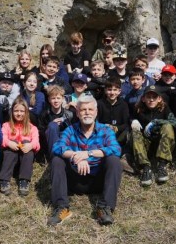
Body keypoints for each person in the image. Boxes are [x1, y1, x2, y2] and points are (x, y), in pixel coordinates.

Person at [49, 94, 122, 226]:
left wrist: (88, 154)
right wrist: (76, 156)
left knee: (114, 160)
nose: (87, 113)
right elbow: (56, 147)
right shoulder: (70, 130)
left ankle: (104, 208)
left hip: (98, 180)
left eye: (90, 109)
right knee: (57, 160)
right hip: (75, 179)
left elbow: (116, 149)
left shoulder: (105, 130)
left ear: (96, 112)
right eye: (83, 110)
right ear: (77, 113)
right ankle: (61, 207)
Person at [131, 85, 176, 186]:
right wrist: (133, 121)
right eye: (148, 97)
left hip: (161, 143)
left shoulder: (164, 108)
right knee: (134, 131)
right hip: (146, 143)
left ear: (159, 99)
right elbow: (129, 119)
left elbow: (175, 123)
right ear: (143, 99)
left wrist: (156, 122)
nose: (151, 100)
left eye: (154, 97)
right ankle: (145, 168)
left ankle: (162, 165)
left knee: (167, 126)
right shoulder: (138, 109)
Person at [0, 97, 40, 196]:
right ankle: (4, 179)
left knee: (28, 145)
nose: (19, 114)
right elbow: (1, 138)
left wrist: (30, 145)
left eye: (22, 111)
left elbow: (37, 143)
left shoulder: (32, 128)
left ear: (26, 113)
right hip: (9, 160)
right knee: (10, 144)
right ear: (11, 112)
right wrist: (9, 143)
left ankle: (24, 180)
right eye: (16, 111)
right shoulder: (6, 125)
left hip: (24, 161)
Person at [37, 84, 74, 159]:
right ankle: (54, 157)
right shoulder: (44, 114)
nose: (56, 101)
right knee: (52, 126)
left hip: (64, 142)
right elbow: (40, 132)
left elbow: (72, 132)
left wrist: (65, 123)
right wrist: (50, 127)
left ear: (62, 99)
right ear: (49, 100)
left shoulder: (69, 114)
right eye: (53, 98)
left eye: (58, 98)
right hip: (49, 143)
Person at [97, 76, 131, 148]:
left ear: (119, 91)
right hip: (102, 132)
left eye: (115, 90)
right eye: (109, 90)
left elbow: (126, 123)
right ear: (105, 90)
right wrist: (105, 126)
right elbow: (95, 121)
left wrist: (116, 128)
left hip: (118, 134)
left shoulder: (123, 104)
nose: (112, 93)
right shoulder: (99, 104)